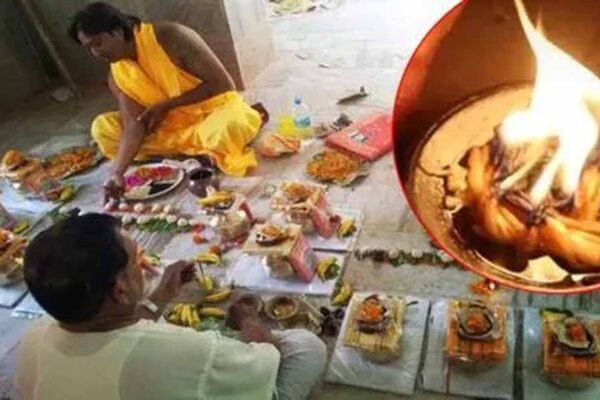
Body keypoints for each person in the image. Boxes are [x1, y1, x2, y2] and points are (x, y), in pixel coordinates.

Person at [15, 214, 326, 400]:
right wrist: (248, 320)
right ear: (120, 290)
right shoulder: (186, 352)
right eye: (136, 260)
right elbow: (267, 357)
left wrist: (163, 292)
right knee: (306, 346)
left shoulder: (34, 338)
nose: (142, 267)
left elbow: (109, 331)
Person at [68, 2, 269, 202]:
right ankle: (198, 153)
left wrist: (166, 105)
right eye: (89, 48)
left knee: (227, 128)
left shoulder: (171, 37)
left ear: (118, 31)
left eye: (97, 43)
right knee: (103, 129)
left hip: (211, 113)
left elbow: (223, 84)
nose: (96, 53)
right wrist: (117, 174)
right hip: (167, 128)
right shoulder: (117, 74)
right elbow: (134, 123)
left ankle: (191, 152)